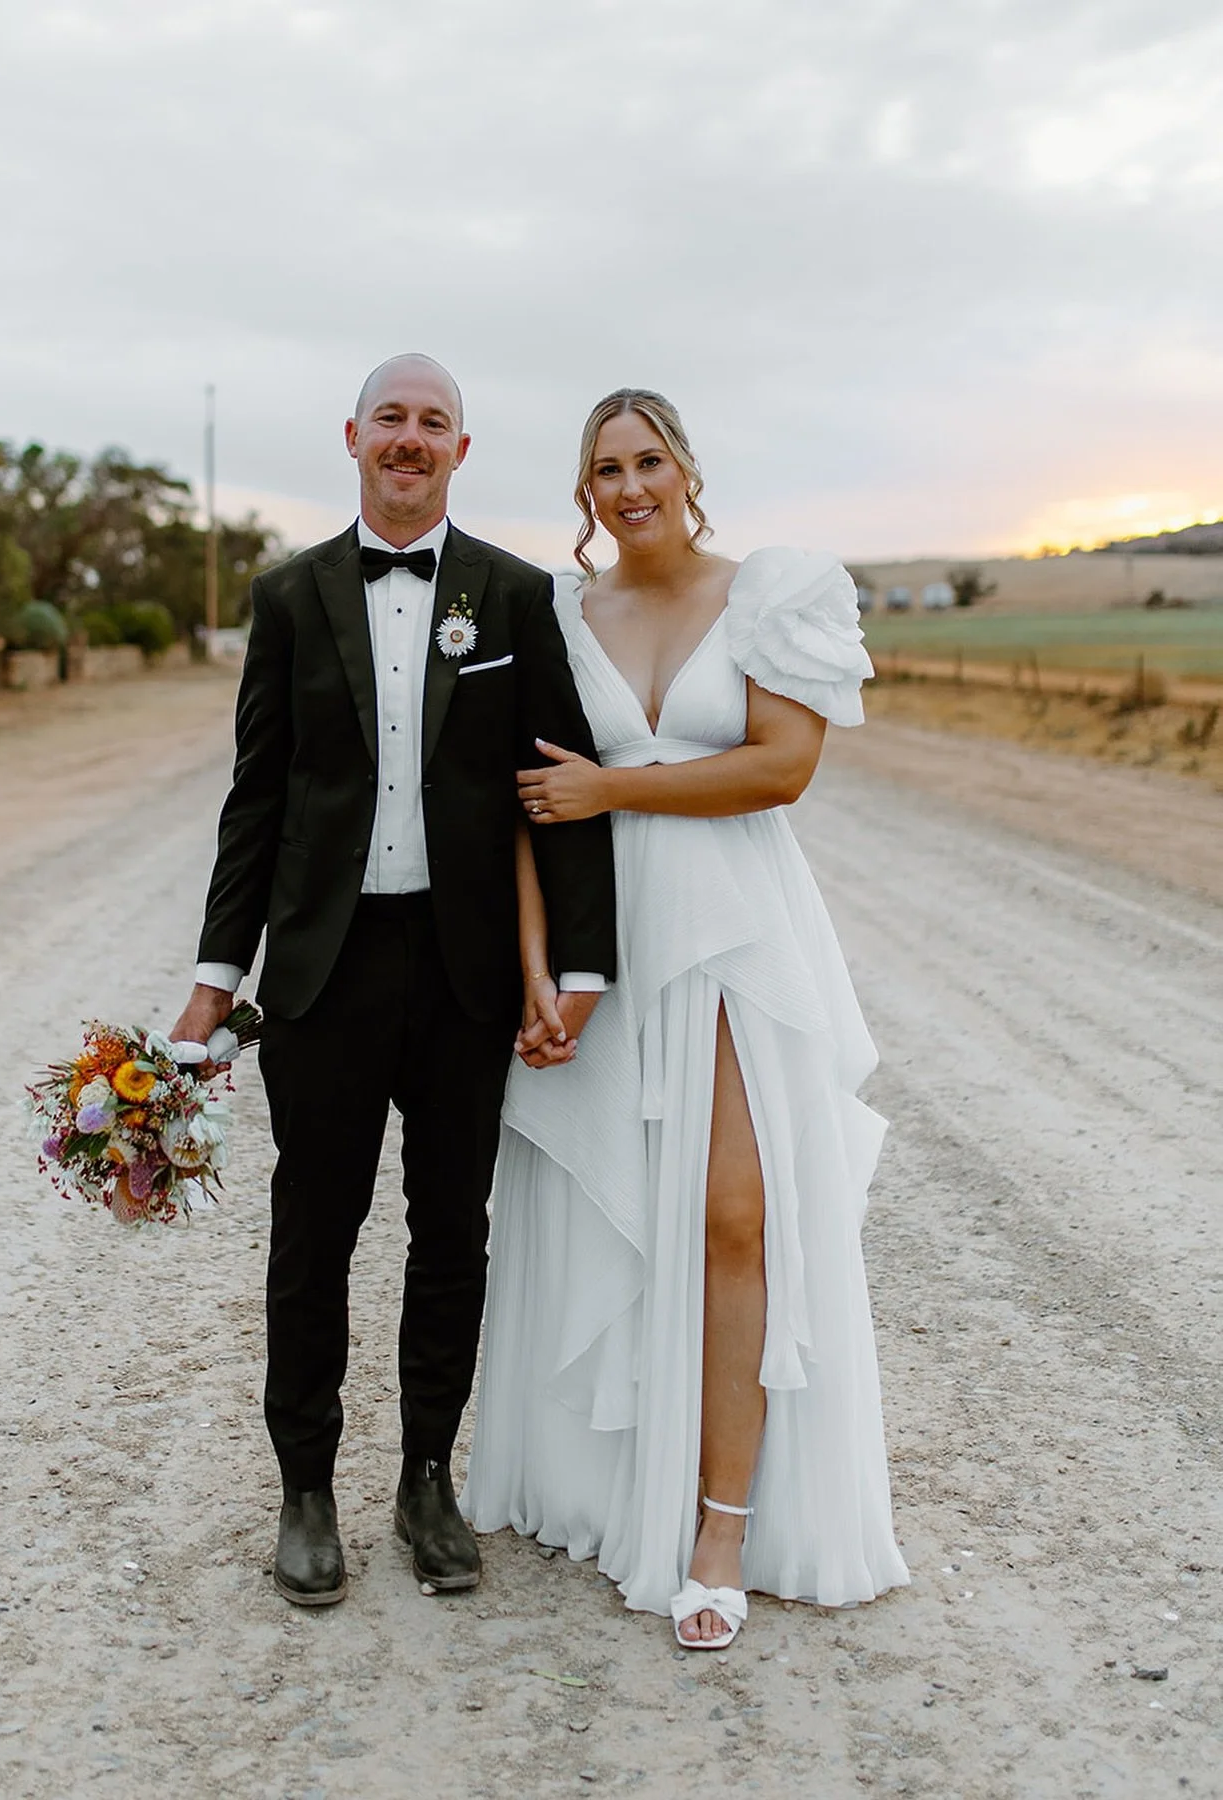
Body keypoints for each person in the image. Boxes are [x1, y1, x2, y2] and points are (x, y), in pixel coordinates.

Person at [461, 389, 910, 1648]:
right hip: (609, 942)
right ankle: (612, 1489)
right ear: (585, 491)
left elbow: (784, 764)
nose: (627, 484)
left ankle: (722, 1524)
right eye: (604, 467)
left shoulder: (771, 591)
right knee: (612, 1213)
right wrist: (540, 968)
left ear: (686, 469)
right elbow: (524, 802)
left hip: (734, 941)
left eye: (647, 459)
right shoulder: (560, 612)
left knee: (730, 1219)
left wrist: (619, 781)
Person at [170, 355, 616, 1608]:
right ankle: (303, 1490)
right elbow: (256, 800)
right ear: (353, 438)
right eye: (392, 421)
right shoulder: (290, 596)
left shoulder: (517, 597)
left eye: (434, 423)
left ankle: (427, 1476)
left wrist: (576, 967)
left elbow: (560, 787)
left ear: (462, 451)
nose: (410, 440)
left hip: (465, 970)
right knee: (312, 1234)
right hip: (324, 967)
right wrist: (218, 973)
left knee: (450, 1234)